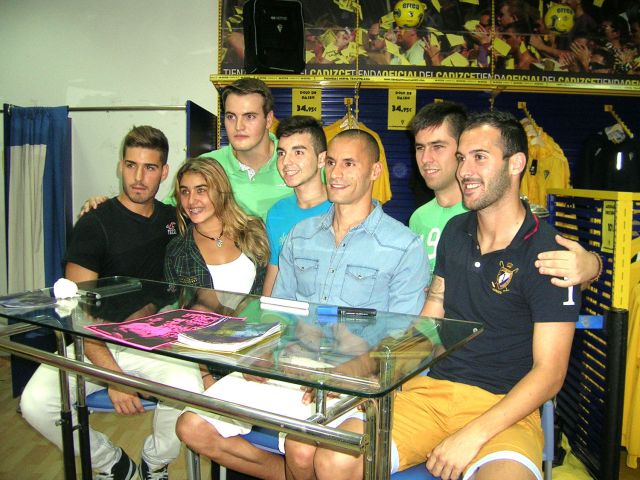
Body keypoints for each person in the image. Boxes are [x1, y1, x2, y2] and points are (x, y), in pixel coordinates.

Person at [313, 110, 581, 480]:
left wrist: (472, 435)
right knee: (332, 458)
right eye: (461, 158)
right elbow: (428, 325)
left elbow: (550, 373)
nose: (464, 171)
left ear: (516, 163)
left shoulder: (550, 255)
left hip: (505, 407)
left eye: (480, 158)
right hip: (431, 394)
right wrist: (369, 371)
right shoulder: (455, 231)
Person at [174, 128, 430, 480]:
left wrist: (346, 373)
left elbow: (406, 339)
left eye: (350, 163)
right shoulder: (301, 235)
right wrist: (261, 352)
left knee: (302, 447)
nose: (336, 174)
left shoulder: (403, 246)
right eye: (332, 163)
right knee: (192, 426)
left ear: (375, 171)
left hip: (355, 377)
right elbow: (279, 309)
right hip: (293, 367)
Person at [20, 126, 204, 480]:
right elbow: (77, 311)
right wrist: (113, 378)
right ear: (120, 166)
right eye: (131, 165)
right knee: (34, 404)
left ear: (164, 172)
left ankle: (155, 461)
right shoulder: (94, 223)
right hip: (97, 341)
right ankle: (112, 464)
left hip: (150, 341)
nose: (139, 177)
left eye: (150, 168)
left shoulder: (173, 220)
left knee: (190, 387)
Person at [408, 101, 601, 284]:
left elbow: (550, 273)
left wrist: (592, 266)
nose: (426, 158)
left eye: (438, 147)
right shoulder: (418, 218)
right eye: (420, 148)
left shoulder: (487, 210)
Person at [164, 157, 269, 297]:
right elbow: (173, 305)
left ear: (220, 190)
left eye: (201, 190)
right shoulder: (176, 250)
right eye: (185, 192)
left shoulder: (254, 231)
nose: (191, 200)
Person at [262, 115, 332, 296]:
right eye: (281, 153)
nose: (286, 162)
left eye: (298, 152)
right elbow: (275, 269)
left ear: (322, 159)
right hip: (287, 318)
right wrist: (265, 314)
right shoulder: (277, 212)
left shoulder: (340, 208)